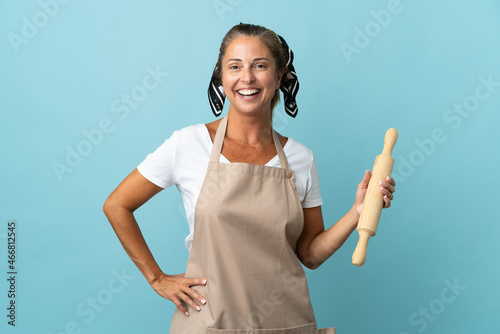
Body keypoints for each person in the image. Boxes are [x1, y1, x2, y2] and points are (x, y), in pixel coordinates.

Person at [103, 23, 396, 334]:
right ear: (221, 76)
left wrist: (357, 213)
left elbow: (309, 254)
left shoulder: (301, 157)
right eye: (235, 66)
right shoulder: (188, 144)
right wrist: (157, 279)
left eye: (260, 65)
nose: (247, 78)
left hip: (286, 323)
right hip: (209, 323)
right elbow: (117, 204)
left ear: (280, 76)